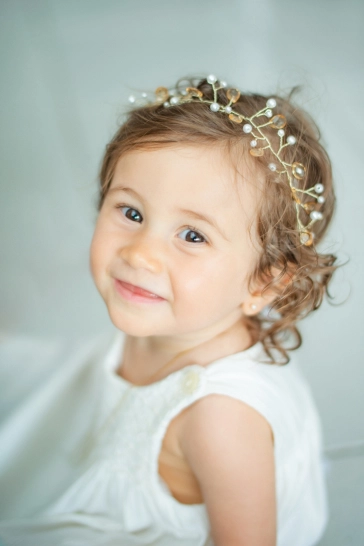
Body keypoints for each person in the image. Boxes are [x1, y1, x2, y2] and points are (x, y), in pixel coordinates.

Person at [0, 75, 338, 546]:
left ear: (265, 281)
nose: (140, 254)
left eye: (193, 236)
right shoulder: (179, 317)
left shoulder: (220, 422)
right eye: (131, 213)